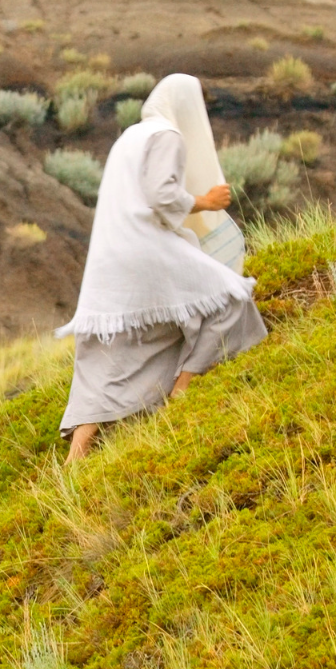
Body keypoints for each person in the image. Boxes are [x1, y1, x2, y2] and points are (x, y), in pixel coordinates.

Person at [56, 73, 268, 462]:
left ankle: (76, 456)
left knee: (109, 348)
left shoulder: (129, 137)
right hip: (146, 250)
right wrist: (205, 201)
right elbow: (161, 195)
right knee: (229, 295)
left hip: (108, 259)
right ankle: (181, 392)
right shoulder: (168, 134)